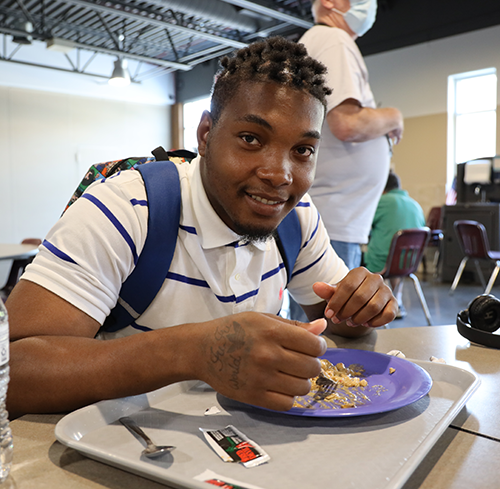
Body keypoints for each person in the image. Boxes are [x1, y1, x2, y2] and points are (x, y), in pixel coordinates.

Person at [6, 36, 397, 419]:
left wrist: (360, 305)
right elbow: (12, 369)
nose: (279, 174)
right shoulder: (127, 208)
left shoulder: (297, 218)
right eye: (250, 138)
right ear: (206, 135)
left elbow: (336, 323)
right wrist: (191, 352)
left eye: (303, 151)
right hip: (126, 454)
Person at [299, 0, 404, 270]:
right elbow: (347, 124)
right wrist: (393, 116)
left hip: (335, 219)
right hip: (334, 220)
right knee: (332, 312)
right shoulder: (333, 39)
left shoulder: (323, 40)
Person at [364, 171, 426, 317]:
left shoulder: (381, 202)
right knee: (395, 256)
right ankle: (396, 302)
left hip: (382, 263)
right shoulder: (415, 205)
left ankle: (374, 304)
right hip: (408, 263)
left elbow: (362, 225)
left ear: (382, 188)